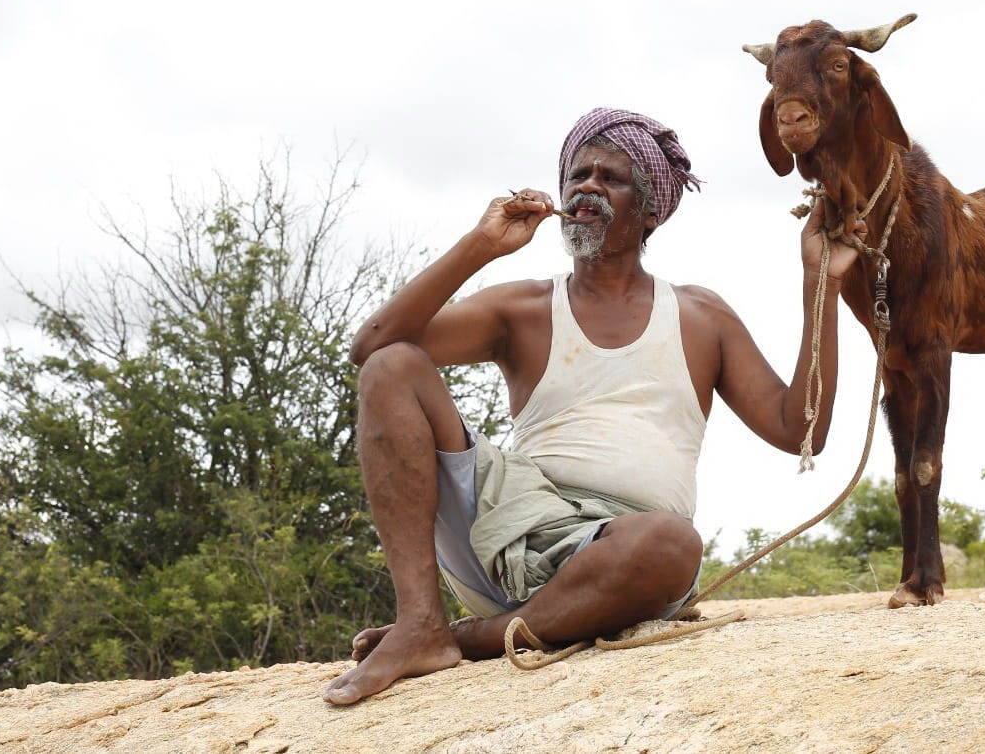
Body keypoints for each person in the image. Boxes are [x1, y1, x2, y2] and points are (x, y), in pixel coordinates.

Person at [322, 107, 864, 706]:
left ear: (652, 209)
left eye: (612, 178)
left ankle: (469, 638)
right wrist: (480, 247)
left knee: (672, 543)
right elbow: (372, 345)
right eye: (578, 175)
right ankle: (418, 620)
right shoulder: (522, 308)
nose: (588, 186)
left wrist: (823, 283)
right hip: (507, 526)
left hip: (619, 557)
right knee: (392, 367)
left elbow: (801, 430)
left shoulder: (701, 316)